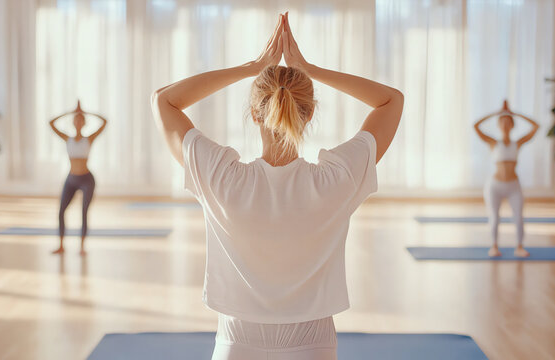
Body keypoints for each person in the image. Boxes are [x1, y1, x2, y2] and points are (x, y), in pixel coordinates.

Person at [151, 12, 403, 360]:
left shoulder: (222, 177)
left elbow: (163, 101)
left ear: (255, 114)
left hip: (236, 341)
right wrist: (311, 70)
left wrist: (252, 67)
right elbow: (392, 100)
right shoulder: (334, 180)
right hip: (313, 342)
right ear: (310, 113)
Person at [474, 100, 539, 258]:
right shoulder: (493, 142)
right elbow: (476, 126)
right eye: (502, 122)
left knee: (518, 217)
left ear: (512, 125)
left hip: (513, 185)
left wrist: (514, 113)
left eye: (508, 122)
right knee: (494, 217)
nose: (505, 124)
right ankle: (494, 246)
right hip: (494, 186)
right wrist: (497, 113)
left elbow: (535, 127)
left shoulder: (517, 143)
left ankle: (519, 246)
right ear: (498, 124)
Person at [49, 100, 107, 255]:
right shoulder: (67, 138)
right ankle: (61, 245)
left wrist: (85, 112)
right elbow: (51, 123)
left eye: (81, 120)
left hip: (87, 180)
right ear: (73, 122)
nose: (78, 122)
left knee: (84, 211)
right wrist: (71, 112)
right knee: (61, 211)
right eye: (76, 120)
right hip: (71, 180)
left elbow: (104, 122)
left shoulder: (89, 139)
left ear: (84, 123)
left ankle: (82, 246)